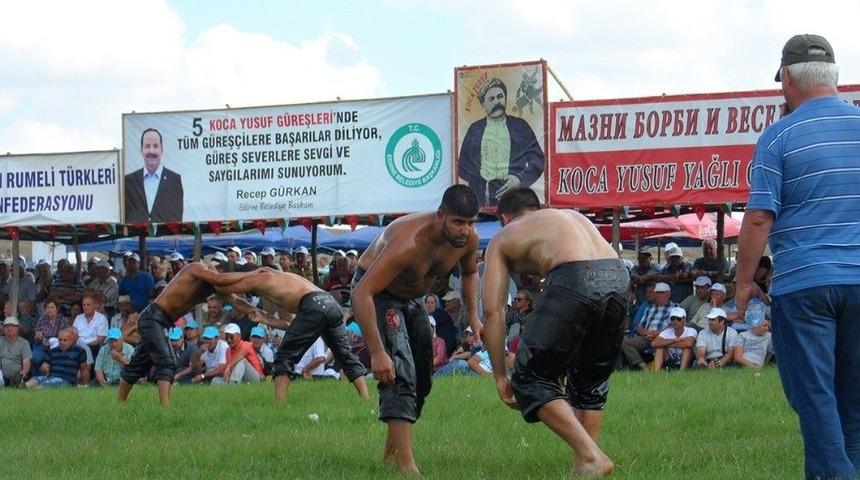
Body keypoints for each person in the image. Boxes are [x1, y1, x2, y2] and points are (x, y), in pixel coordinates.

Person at [734, 33, 860, 479]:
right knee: (853, 400)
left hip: (805, 285)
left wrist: (744, 282)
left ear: (786, 78)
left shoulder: (778, 136)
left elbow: (757, 219)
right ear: (835, 77)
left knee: (814, 399)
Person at [482, 187, 627, 477]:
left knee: (529, 377)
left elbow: (494, 312)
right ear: (537, 208)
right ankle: (584, 467)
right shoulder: (569, 217)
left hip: (574, 276)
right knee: (590, 382)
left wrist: (500, 375)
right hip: (618, 276)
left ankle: (591, 457)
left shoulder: (504, 236)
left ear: (504, 217)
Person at [351, 184, 481, 476]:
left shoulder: (468, 240)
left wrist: (474, 317)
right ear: (441, 216)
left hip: (413, 298)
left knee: (423, 376)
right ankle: (405, 465)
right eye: (459, 222)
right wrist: (377, 352)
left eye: (471, 223)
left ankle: (391, 453)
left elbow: (470, 273)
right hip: (377, 293)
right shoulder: (408, 240)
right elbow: (362, 294)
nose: (465, 230)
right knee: (401, 371)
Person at [203, 267, 368, 402]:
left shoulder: (262, 277)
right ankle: (365, 399)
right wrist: (265, 318)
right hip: (331, 305)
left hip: (314, 305)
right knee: (344, 354)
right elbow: (288, 323)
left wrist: (210, 276)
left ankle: (279, 405)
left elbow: (225, 286)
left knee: (283, 356)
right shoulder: (284, 285)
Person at [118, 263, 222, 406]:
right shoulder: (193, 272)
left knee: (139, 363)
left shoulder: (203, 290)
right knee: (166, 362)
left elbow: (232, 294)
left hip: (158, 320)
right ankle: (165, 407)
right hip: (155, 318)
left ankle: (119, 403)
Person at [458, 77, 545, 207]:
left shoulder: (520, 126)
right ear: (483, 104)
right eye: (491, 99)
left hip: (514, 198)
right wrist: (480, 181)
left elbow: (538, 160)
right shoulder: (475, 129)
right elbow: (463, 165)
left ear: (505, 98)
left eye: (500, 96)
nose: (497, 102)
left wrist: (519, 179)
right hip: (481, 199)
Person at [124, 128, 184, 223]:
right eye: (147, 146)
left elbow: (176, 219)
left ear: (162, 149)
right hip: (137, 237)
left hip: (165, 237)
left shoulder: (174, 180)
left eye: (155, 146)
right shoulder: (128, 182)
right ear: (141, 150)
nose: (151, 151)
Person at [0, 317, 32, 387]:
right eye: (7, 326)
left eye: (12, 326)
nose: (9, 328)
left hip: (16, 377)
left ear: (17, 328)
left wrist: (24, 372)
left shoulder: (24, 343)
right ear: (3, 329)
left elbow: (26, 361)